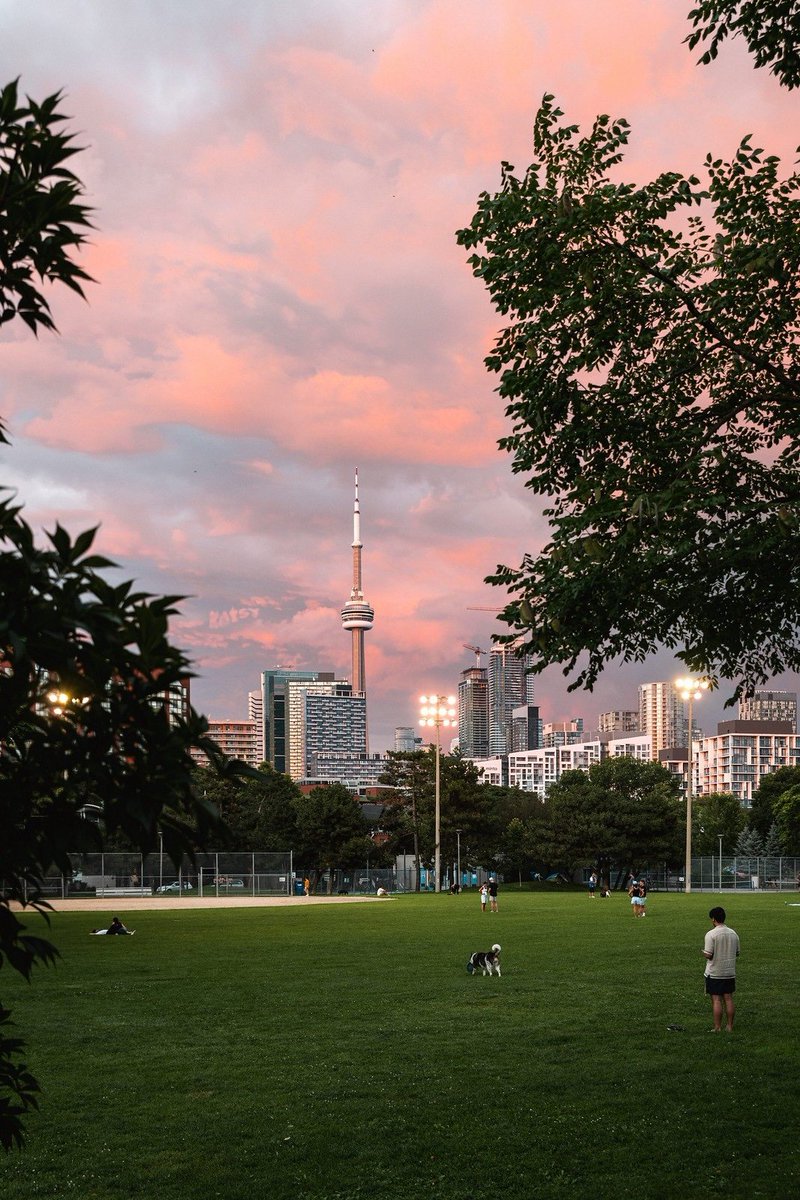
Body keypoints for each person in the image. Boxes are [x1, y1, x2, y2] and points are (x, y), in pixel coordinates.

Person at [703, 906, 740, 1032]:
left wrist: (704, 953)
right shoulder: (733, 933)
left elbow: (709, 954)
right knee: (728, 999)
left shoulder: (711, 934)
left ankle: (717, 1027)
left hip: (715, 972)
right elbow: (737, 952)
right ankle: (729, 1026)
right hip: (729, 971)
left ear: (713, 919)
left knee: (716, 999)